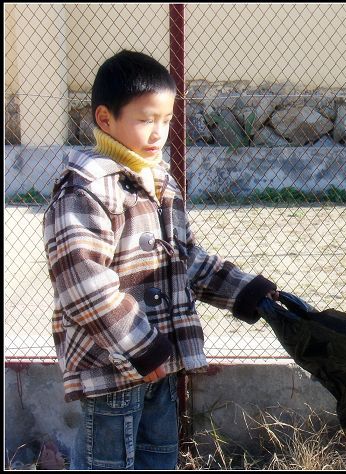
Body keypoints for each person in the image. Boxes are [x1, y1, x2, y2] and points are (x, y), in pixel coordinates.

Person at [43, 50, 278, 470]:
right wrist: (140, 347)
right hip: (113, 367)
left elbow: (181, 259)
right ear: (105, 119)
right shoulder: (85, 191)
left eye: (166, 120)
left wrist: (245, 292)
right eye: (145, 119)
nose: (158, 132)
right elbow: (83, 285)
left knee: (159, 459)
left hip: (160, 364)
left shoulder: (158, 181)